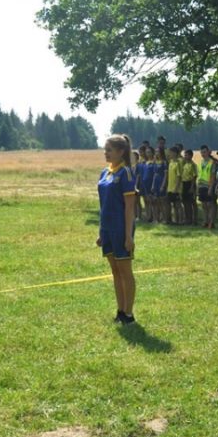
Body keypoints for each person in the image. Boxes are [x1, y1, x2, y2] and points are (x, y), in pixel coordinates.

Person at [97, 134, 138, 324]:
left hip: (121, 228)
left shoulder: (126, 173)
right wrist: (100, 231)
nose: (106, 153)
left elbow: (129, 207)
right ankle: (120, 310)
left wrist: (128, 236)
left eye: (109, 150)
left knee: (125, 270)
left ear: (121, 152)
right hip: (107, 229)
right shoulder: (104, 173)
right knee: (115, 271)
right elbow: (103, 204)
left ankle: (128, 314)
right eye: (105, 150)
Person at [198, 145, 218, 228]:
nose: (203, 154)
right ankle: (205, 221)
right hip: (201, 185)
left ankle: (211, 222)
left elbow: (213, 176)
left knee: (210, 204)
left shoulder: (212, 162)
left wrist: (210, 187)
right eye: (201, 152)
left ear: (208, 152)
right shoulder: (202, 162)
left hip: (209, 185)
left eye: (204, 152)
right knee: (204, 205)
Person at [166, 147, 184, 224]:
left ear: (175, 153)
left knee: (178, 205)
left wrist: (176, 188)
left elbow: (179, 176)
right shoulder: (170, 162)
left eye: (171, 152)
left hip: (176, 188)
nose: (169, 154)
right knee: (172, 205)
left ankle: (180, 220)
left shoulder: (178, 163)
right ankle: (174, 220)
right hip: (170, 187)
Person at [180, 149, 198, 226]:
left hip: (190, 183)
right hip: (184, 183)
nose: (185, 156)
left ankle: (194, 219)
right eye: (185, 155)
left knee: (192, 202)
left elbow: (194, 176)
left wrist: (192, 187)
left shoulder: (193, 165)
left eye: (187, 155)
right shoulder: (184, 164)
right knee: (185, 202)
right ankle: (187, 218)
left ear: (191, 156)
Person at [153, 148, 169, 222]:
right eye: (156, 152)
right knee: (157, 201)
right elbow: (154, 174)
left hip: (161, 181)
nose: (157, 153)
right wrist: (153, 184)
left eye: (158, 151)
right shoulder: (155, 162)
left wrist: (163, 185)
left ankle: (165, 218)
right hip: (156, 181)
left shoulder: (164, 162)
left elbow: (166, 174)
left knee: (163, 201)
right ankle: (157, 218)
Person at [141, 147, 156, 222]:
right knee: (147, 200)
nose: (148, 154)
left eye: (149, 152)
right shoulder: (145, 162)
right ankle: (148, 216)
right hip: (145, 183)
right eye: (147, 152)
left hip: (151, 183)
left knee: (153, 201)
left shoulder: (154, 162)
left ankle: (155, 217)